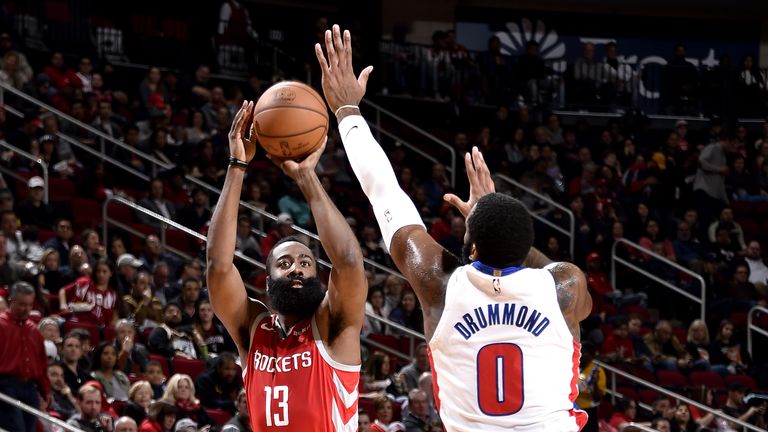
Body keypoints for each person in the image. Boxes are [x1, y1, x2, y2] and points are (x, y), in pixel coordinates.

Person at [316, 24, 591, 430]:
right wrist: (490, 224)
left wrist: (347, 112)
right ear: (525, 248)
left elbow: (386, 195)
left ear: (472, 247)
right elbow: (554, 278)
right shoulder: (565, 286)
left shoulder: (439, 284)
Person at [206, 98, 367, 430]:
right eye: (286, 262)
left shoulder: (332, 324)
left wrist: (307, 178)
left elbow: (349, 262)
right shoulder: (253, 329)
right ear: (267, 282)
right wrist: (237, 165)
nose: (298, 268)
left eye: (307, 262)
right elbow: (219, 267)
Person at [0, 281, 51, 432]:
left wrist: (45, 389)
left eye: (29, 305)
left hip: (29, 387)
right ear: (11, 301)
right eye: (22, 304)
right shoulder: (1, 326)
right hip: (5, 385)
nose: (26, 309)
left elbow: (41, 364)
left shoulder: (33, 330)